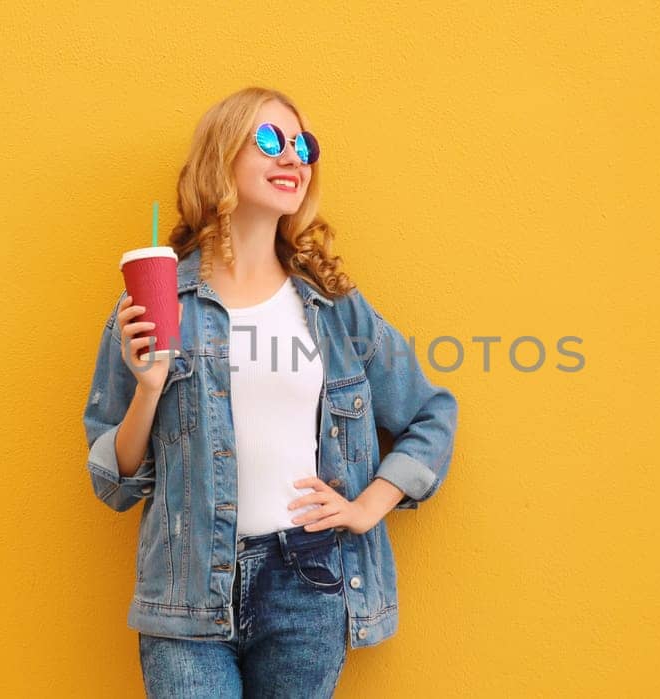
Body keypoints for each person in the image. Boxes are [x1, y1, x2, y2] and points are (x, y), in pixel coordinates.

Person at [83, 86, 459, 698]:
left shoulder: (332, 306)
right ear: (220, 158)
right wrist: (149, 388)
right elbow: (114, 481)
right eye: (269, 141)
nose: (293, 157)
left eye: (302, 145)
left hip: (308, 581)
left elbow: (430, 412)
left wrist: (367, 507)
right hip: (186, 591)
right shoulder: (156, 303)